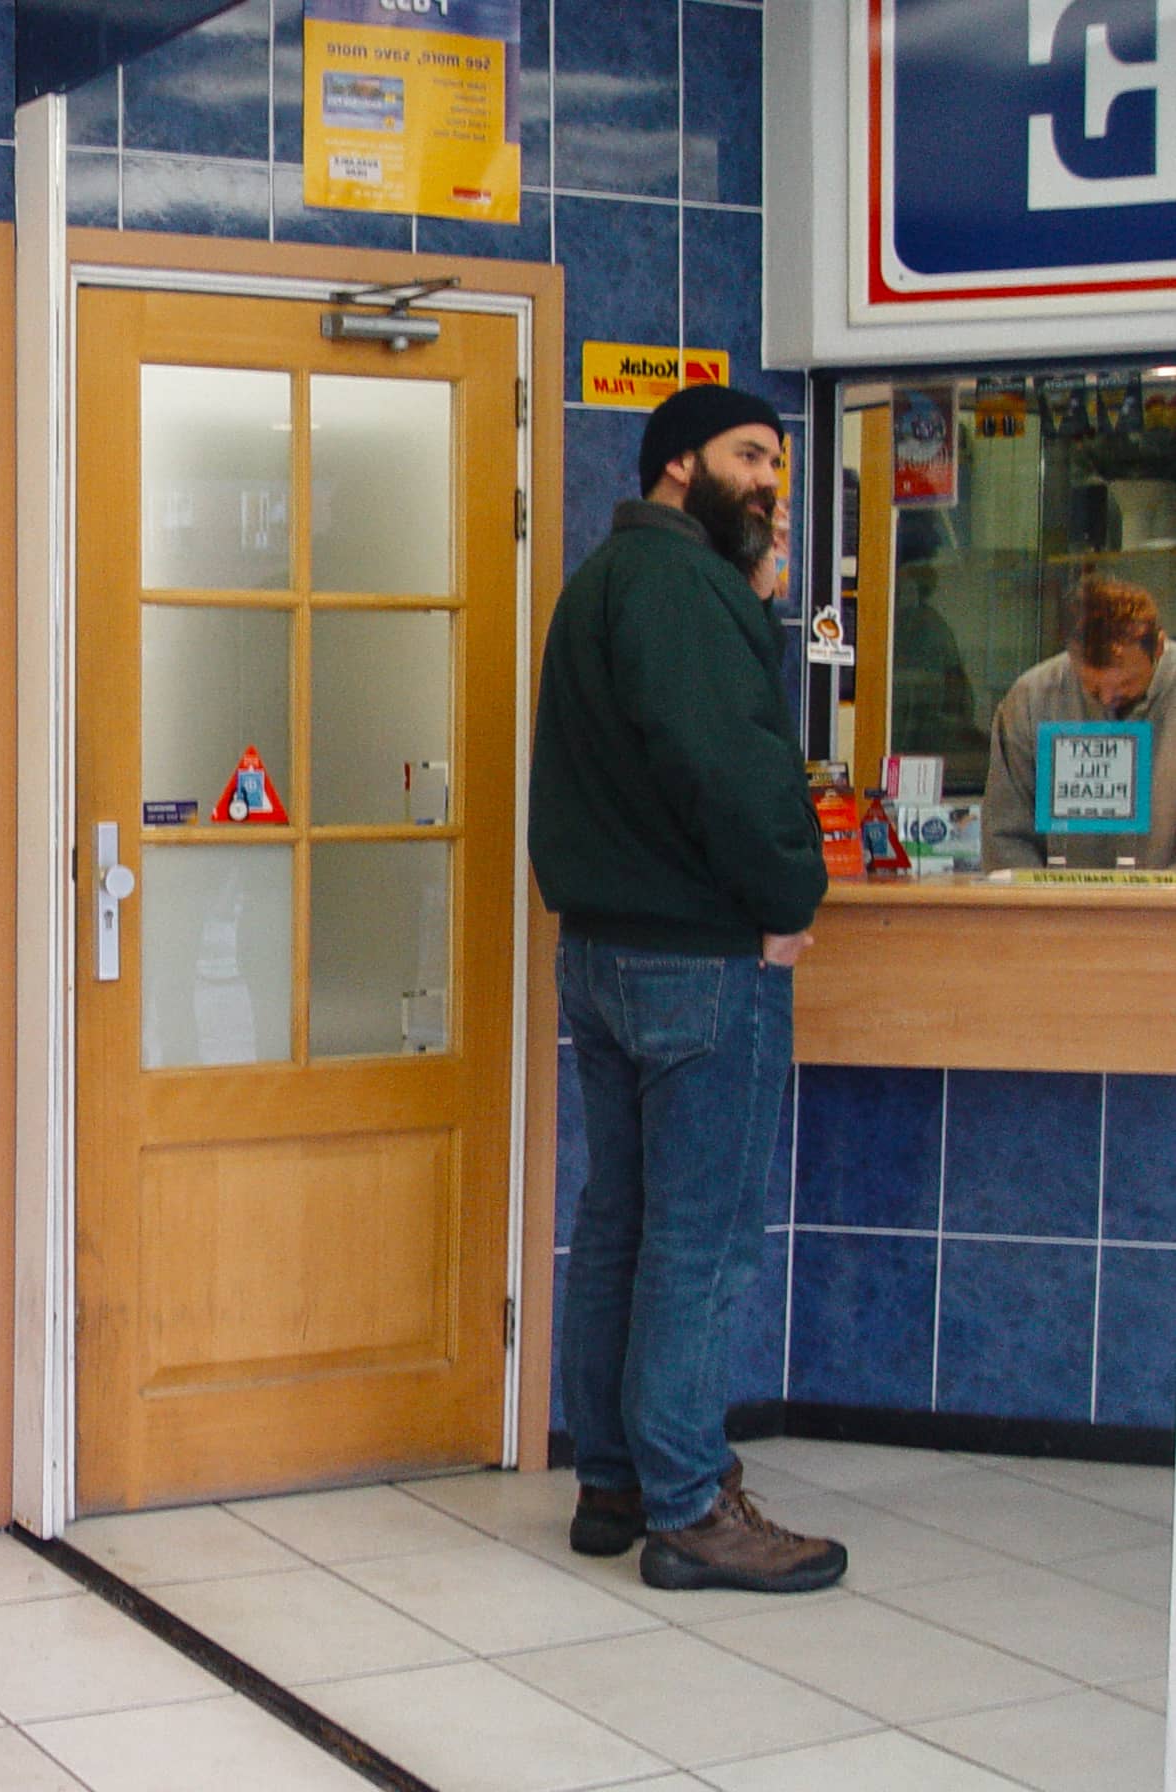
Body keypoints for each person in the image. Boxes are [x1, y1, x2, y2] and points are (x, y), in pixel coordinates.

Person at [529, 384, 846, 1594]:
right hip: (698, 961)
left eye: (778, 461)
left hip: (601, 952)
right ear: (676, 466)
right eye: (749, 456)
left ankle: (610, 1480)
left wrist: (751, 602)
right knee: (697, 1245)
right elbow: (727, 765)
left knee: (620, 1220)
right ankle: (690, 1503)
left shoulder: (613, 581)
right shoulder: (680, 590)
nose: (770, 478)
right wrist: (786, 897)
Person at [983, 573, 1176, 869]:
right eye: (1093, 688)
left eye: (1125, 683)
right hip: (1059, 909)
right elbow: (1006, 837)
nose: (1109, 697)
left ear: (1159, 648)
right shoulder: (1031, 699)